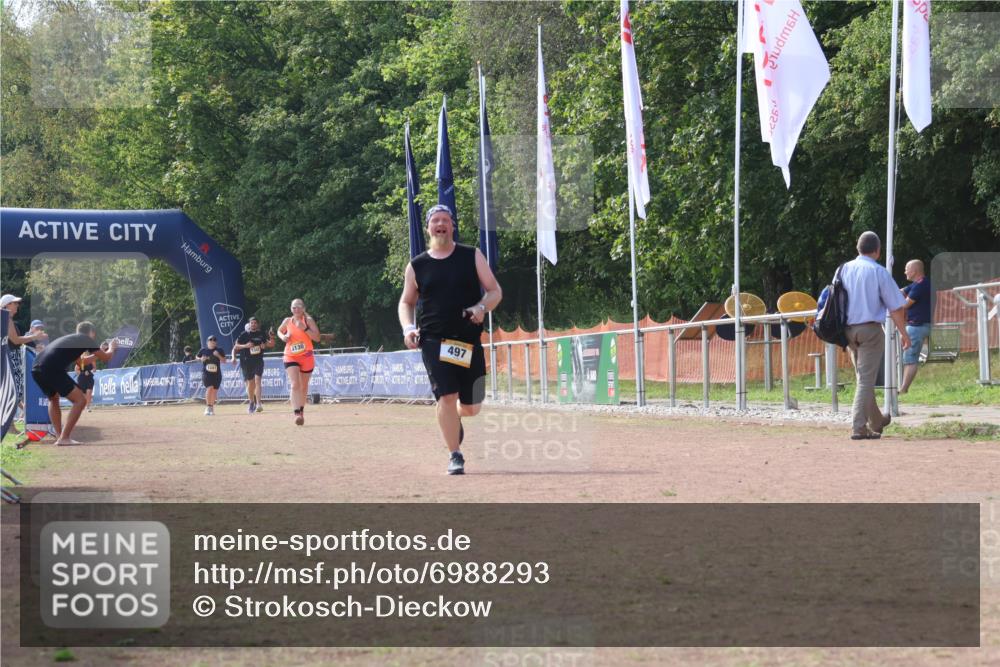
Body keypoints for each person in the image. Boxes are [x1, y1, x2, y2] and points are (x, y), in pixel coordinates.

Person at [398, 204, 502, 475]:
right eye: (435, 220)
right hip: (433, 340)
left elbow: (495, 291)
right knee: (446, 395)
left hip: (467, 340)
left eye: (445, 220)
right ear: (428, 228)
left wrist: (481, 307)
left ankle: (455, 415)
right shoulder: (417, 265)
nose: (441, 224)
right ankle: (455, 454)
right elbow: (406, 302)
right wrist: (408, 328)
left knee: (471, 407)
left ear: (452, 226)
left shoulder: (471, 255)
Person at [839, 232, 911, 440]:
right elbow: (896, 307)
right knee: (865, 380)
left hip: (847, 331)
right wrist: (904, 333)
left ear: (858, 248)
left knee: (864, 377)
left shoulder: (843, 269)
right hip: (870, 330)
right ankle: (859, 427)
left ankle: (877, 421)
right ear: (878, 251)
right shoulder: (878, 272)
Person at [30, 321, 116, 445]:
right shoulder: (86, 339)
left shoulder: (72, 340)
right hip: (52, 368)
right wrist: (112, 347)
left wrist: (99, 352)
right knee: (80, 401)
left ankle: (60, 437)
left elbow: (81, 363)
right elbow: (107, 357)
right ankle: (64, 437)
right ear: (91, 333)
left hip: (36, 369)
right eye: (94, 334)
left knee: (53, 399)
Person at [1, 295, 46, 421]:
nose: (17, 305)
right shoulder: (7, 318)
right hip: (10, 356)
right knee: (13, 391)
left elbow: (16, 341)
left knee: (13, 391)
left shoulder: (6, 318)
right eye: (14, 303)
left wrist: (34, 343)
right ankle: (10, 422)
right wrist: (35, 337)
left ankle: (11, 422)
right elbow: (15, 340)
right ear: (7, 305)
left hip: (10, 356)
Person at [277, 299, 320, 425]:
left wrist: (305, 329)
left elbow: (317, 338)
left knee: (304, 386)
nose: (296, 309)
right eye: (294, 307)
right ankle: (296, 413)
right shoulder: (287, 321)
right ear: (291, 309)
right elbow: (279, 331)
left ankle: (301, 411)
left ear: (304, 308)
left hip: (306, 356)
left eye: (299, 307)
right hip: (291, 356)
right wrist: (283, 337)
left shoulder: (308, 320)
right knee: (295, 384)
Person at [899, 259, 931, 394]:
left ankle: (903, 389)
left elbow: (904, 304)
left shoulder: (920, 286)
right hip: (918, 325)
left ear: (914, 271)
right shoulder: (918, 284)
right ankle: (901, 387)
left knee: (910, 359)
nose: (905, 272)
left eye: (907, 269)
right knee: (907, 357)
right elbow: (901, 291)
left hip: (917, 327)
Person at [232, 317, 275, 414]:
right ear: (249, 324)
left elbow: (271, 344)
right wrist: (245, 346)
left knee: (258, 381)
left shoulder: (261, 334)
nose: (253, 324)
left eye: (255, 323)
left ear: (257, 324)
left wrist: (270, 340)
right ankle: (251, 402)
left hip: (258, 361)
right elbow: (236, 346)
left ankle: (259, 404)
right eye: (252, 323)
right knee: (251, 384)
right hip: (247, 361)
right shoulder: (244, 334)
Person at [197, 335, 228, 416]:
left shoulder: (219, 350)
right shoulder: (203, 350)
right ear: (207, 342)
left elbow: (224, 361)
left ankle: (211, 408)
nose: (212, 342)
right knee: (209, 388)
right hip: (206, 373)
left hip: (217, 374)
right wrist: (200, 359)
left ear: (216, 342)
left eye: (214, 340)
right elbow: (197, 357)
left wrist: (218, 355)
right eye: (210, 340)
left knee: (214, 391)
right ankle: (208, 407)